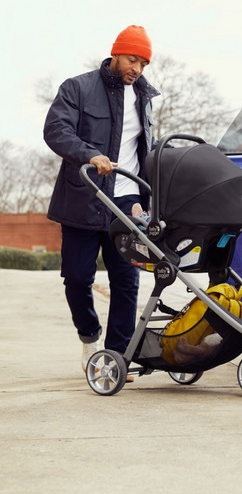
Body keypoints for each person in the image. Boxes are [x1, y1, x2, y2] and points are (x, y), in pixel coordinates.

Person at [44, 25, 160, 378]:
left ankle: (116, 357)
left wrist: (146, 198)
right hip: (84, 197)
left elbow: (144, 152)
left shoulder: (145, 98)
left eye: (142, 62)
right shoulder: (77, 88)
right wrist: (89, 154)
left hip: (126, 203)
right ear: (115, 54)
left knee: (127, 280)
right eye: (131, 58)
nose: (136, 68)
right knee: (78, 278)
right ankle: (89, 336)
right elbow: (56, 130)